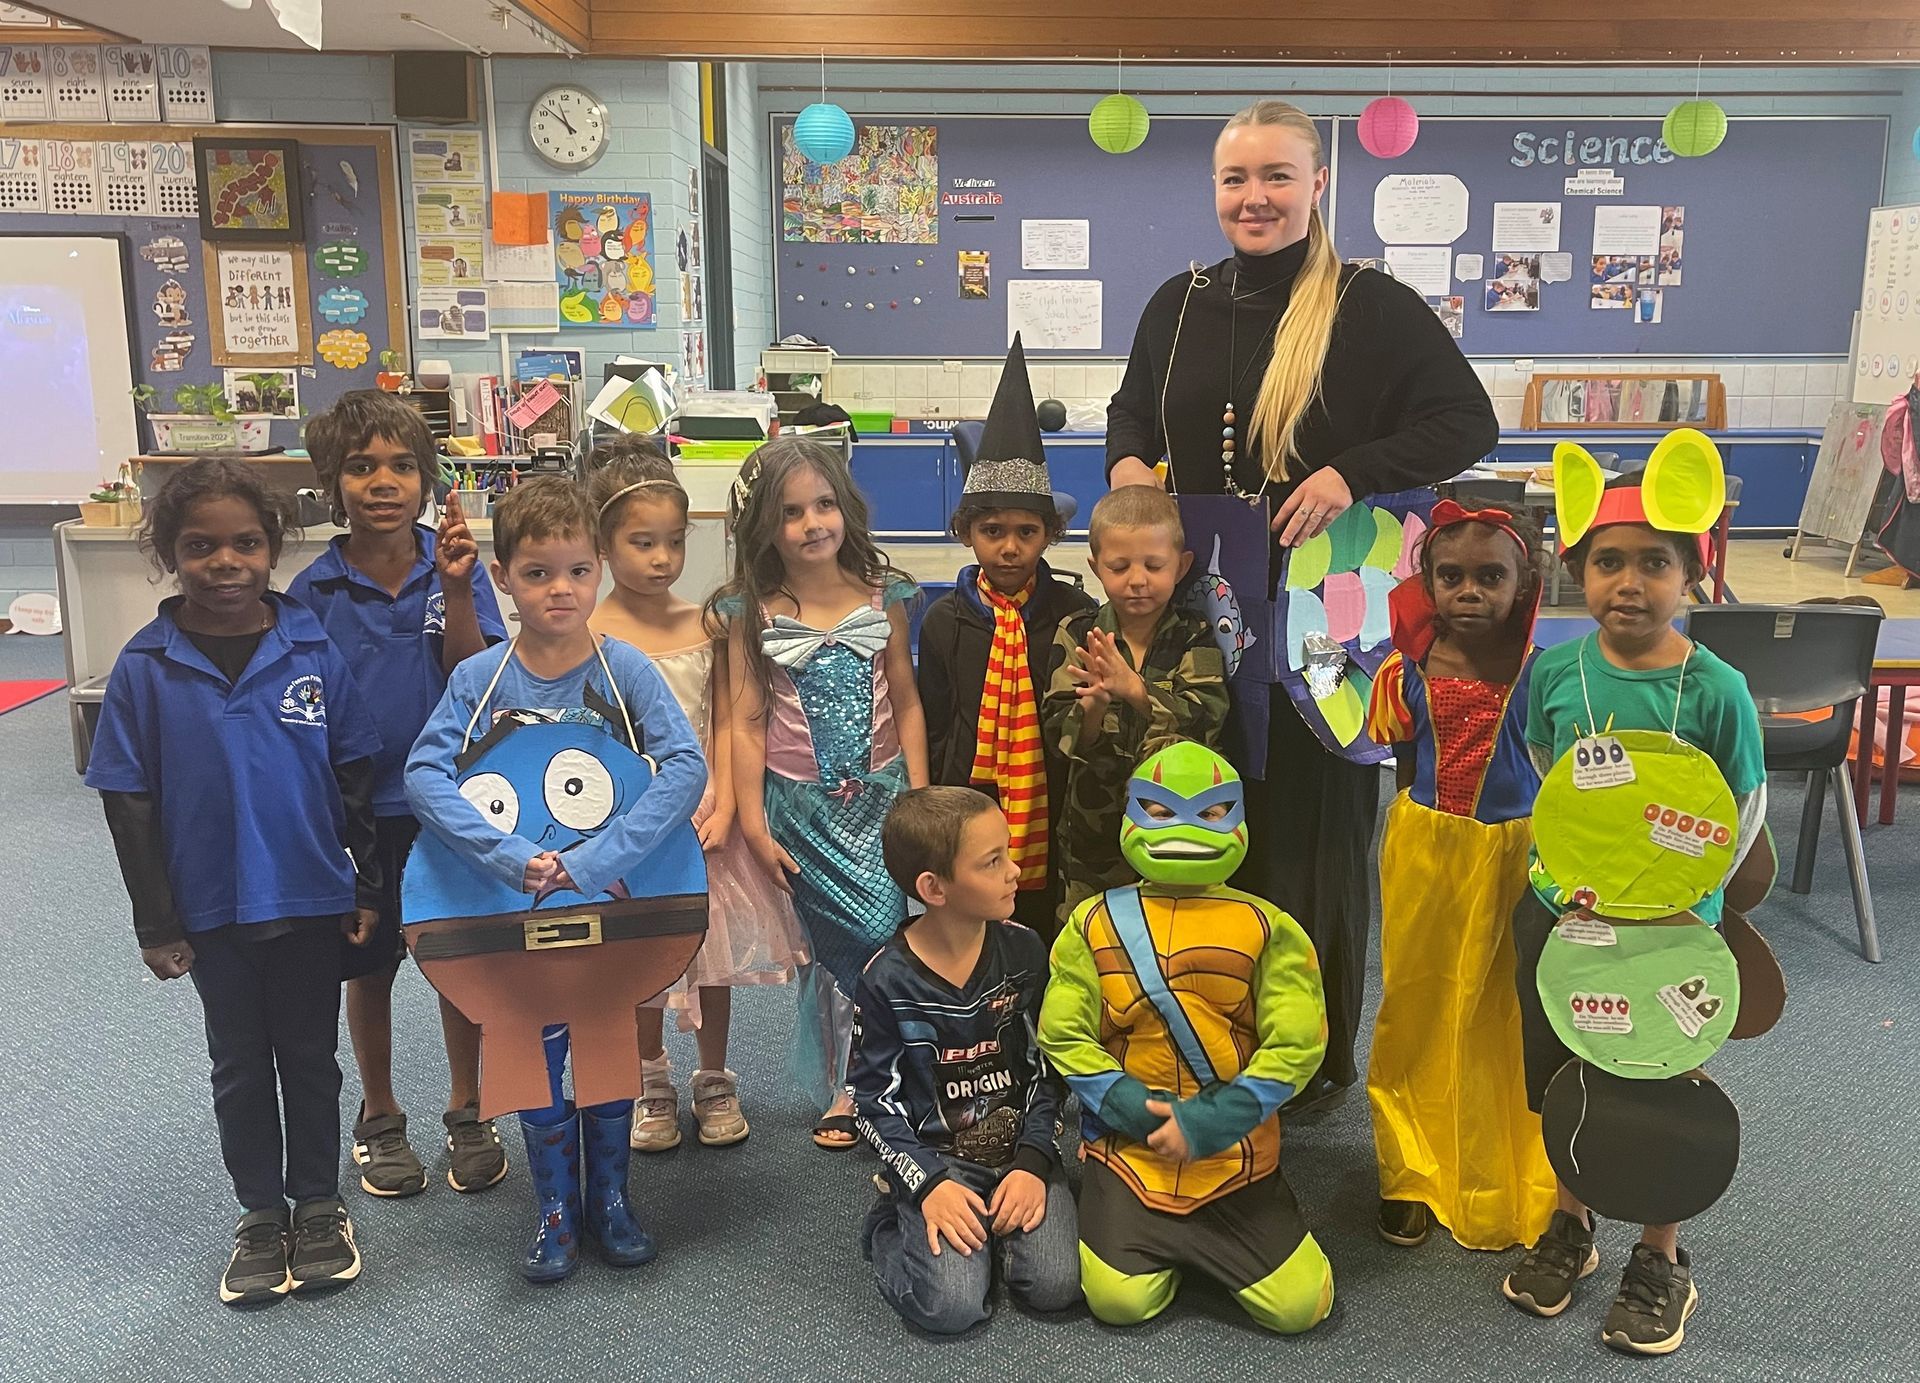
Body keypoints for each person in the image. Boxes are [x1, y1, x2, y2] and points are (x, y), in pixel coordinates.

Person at [1104, 99, 1498, 1107]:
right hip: (1199, 613)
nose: (1256, 198)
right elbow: (1131, 412)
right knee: (1202, 808)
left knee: (1314, 837)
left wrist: (1352, 472)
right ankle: (1204, 1032)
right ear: (1216, 191)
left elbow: (1467, 420)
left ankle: (1310, 1053)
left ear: (1318, 184)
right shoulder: (1179, 303)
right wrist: (1133, 472)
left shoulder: (1371, 306)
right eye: (1237, 179)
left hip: (1328, 626)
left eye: (1277, 176)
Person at [86, 457, 381, 1306]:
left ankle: (320, 1204)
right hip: (210, 908)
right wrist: (155, 922)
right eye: (201, 546)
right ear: (170, 554)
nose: (226, 562)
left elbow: (355, 771)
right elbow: (128, 803)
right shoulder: (145, 666)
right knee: (240, 1065)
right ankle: (260, 1211)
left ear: (272, 548)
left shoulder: (313, 646)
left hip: (310, 895)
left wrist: (364, 887)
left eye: (247, 544)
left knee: (310, 1059)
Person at [404, 476, 706, 1282]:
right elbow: (426, 776)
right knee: (528, 1040)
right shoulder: (479, 680)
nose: (560, 589)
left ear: (599, 570)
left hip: (609, 901)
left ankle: (609, 1198)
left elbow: (683, 768)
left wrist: (597, 858)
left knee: (605, 1035)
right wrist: (505, 854)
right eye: (537, 572)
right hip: (513, 904)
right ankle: (553, 1206)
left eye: (576, 570)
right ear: (503, 575)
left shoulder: (626, 670)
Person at [1504, 446, 1766, 1355]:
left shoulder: (1717, 689)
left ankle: (1662, 1255)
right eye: (1608, 560)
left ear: (1692, 573)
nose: (1629, 582)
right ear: (1577, 570)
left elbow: (1744, 806)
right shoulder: (1553, 674)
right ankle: (1571, 1225)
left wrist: (1695, 900)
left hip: (1669, 929)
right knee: (1568, 1070)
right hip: (1566, 914)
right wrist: (1565, 874)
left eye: (1655, 561)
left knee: (1661, 1081)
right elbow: (1550, 776)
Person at [287, 390, 510, 1201]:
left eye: (401, 465)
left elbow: (472, 678)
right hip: (358, 814)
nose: (383, 481)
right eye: (361, 466)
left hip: (450, 804)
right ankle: (379, 1115)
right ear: (332, 482)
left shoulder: (454, 568)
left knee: (457, 959)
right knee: (369, 965)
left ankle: (470, 1105)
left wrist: (454, 588)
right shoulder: (313, 592)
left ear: (427, 480)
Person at [1039, 742, 1333, 1334]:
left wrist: (1216, 1119)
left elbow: (1297, 1043)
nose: (1186, 829)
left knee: (1301, 1307)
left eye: (1212, 812)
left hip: (1235, 1159)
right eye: (1162, 810)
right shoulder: (1091, 923)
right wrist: (1133, 1109)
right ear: (1132, 820)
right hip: (1131, 1155)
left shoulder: (1269, 928)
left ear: (1239, 823)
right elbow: (1063, 1033)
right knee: (1119, 1303)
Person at [586, 439, 807, 1152]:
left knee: (711, 954)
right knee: (641, 955)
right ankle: (650, 1074)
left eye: (674, 543)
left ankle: (713, 1074)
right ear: (603, 541)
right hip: (627, 820)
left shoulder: (706, 623)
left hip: (704, 816)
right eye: (641, 542)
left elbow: (722, 718)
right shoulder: (590, 632)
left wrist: (724, 805)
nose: (660, 558)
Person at [708, 438, 928, 1149]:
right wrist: (752, 823)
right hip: (800, 807)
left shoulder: (881, 595)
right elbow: (744, 719)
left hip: (883, 799)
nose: (812, 524)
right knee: (829, 947)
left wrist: (921, 796)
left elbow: (907, 697)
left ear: (847, 508)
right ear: (764, 527)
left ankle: (881, 1071)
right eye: (791, 512)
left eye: (824, 504)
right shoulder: (754, 609)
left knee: (883, 932)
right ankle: (848, 1083)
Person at [1363, 501, 1556, 1253]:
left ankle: (1510, 1166)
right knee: (1416, 1001)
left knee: (1508, 1010)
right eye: (1450, 576)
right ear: (1427, 581)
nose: (1468, 592)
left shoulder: (1545, 676)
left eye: (1489, 577)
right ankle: (1408, 1169)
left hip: (1517, 858)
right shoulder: (1403, 669)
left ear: (1524, 583)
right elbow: (1410, 770)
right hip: (1427, 853)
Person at [852, 787, 1080, 1333]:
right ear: (934, 888)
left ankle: (993, 1231)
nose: (1015, 870)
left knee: (1056, 1288)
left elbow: (1052, 1069)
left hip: (1019, 1146)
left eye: (1008, 853)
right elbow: (869, 1104)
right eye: (992, 861)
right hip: (939, 1162)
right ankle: (890, 1225)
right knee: (950, 1308)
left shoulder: (1025, 950)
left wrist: (1033, 1161)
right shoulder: (885, 979)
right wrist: (928, 1185)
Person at [918, 338, 1096, 936]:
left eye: (1027, 530)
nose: (1011, 547)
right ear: (967, 533)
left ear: (1050, 534)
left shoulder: (1075, 613)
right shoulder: (946, 619)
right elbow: (938, 719)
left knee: (1046, 932)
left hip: (1053, 804)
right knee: (976, 933)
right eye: (993, 530)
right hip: (971, 801)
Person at [1041, 485, 1228, 921]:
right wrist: (1094, 707)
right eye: (1119, 566)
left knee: (1173, 938)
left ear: (1181, 567)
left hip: (1178, 829)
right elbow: (1059, 735)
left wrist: (1134, 690)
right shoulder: (1079, 631)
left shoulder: (1195, 634)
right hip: (1093, 835)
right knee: (1088, 942)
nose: (1138, 579)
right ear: (1095, 567)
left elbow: (1205, 719)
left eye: (1154, 565)